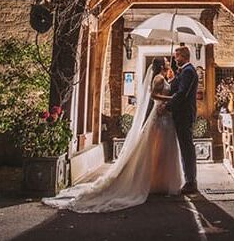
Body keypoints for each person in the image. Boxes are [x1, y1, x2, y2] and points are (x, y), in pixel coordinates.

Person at [42, 57, 182, 213]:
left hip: (165, 117)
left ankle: (160, 182)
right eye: (166, 61)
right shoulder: (158, 78)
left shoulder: (164, 77)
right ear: (162, 65)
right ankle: (149, 181)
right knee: (156, 150)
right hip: (160, 116)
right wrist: (171, 98)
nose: (169, 61)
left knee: (162, 150)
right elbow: (154, 96)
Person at [165, 45, 199, 195]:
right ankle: (189, 180)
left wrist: (167, 106)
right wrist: (173, 79)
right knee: (185, 147)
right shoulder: (183, 72)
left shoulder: (189, 71)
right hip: (180, 115)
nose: (174, 58)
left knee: (187, 148)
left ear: (184, 56)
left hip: (184, 115)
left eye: (176, 56)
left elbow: (182, 94)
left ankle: (191, 181)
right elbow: (178, 89)